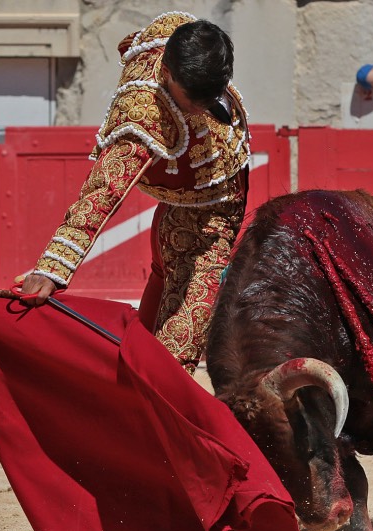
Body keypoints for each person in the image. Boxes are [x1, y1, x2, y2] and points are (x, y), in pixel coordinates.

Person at [18, 12, 250, 376]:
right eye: (193, 102)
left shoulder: (180, 35)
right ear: (168, 74)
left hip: (208, 202)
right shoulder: (144, 116)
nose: (203, 109)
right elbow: (104, 191)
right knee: (173, 362)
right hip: (206, 218)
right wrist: (53, 267)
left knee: (166, 287)